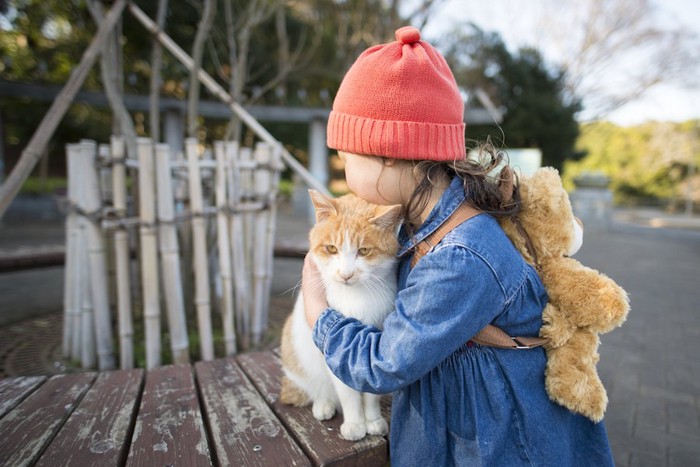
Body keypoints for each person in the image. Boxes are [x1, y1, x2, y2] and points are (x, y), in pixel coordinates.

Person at [302, 25, 615, 466]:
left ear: (390, 154)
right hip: (460, 422)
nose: (343, 169)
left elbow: (382, 365)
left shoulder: (461, 256)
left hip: (496, 439)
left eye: (348, 157)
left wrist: (318, 311)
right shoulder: (418, 222)